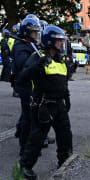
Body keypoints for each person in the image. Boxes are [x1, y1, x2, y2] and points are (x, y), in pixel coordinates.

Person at [18, 25, 73, 179]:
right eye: (59, 41)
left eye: (62, 41)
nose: (62, 44)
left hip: (59, 104)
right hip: (43, 105)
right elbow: (22, 79)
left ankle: (65, 164)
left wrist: (67, 98)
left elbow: (63, 82)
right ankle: (24, 168)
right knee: (36, 139)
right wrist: (37, 66)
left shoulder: (60, 60)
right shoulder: (38, 57)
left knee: (66, 137)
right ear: (50, 41)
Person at [11, 18, 42, 156]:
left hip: (32, 85)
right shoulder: (20, 46)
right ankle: (24, 147)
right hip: (25, 86)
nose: (36, 35)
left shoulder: (29, 44)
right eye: (34, 33)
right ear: (27, 32)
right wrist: (38, 60)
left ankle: (30, 142)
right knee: (28, 118)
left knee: (30, 115)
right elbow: (23, 63)